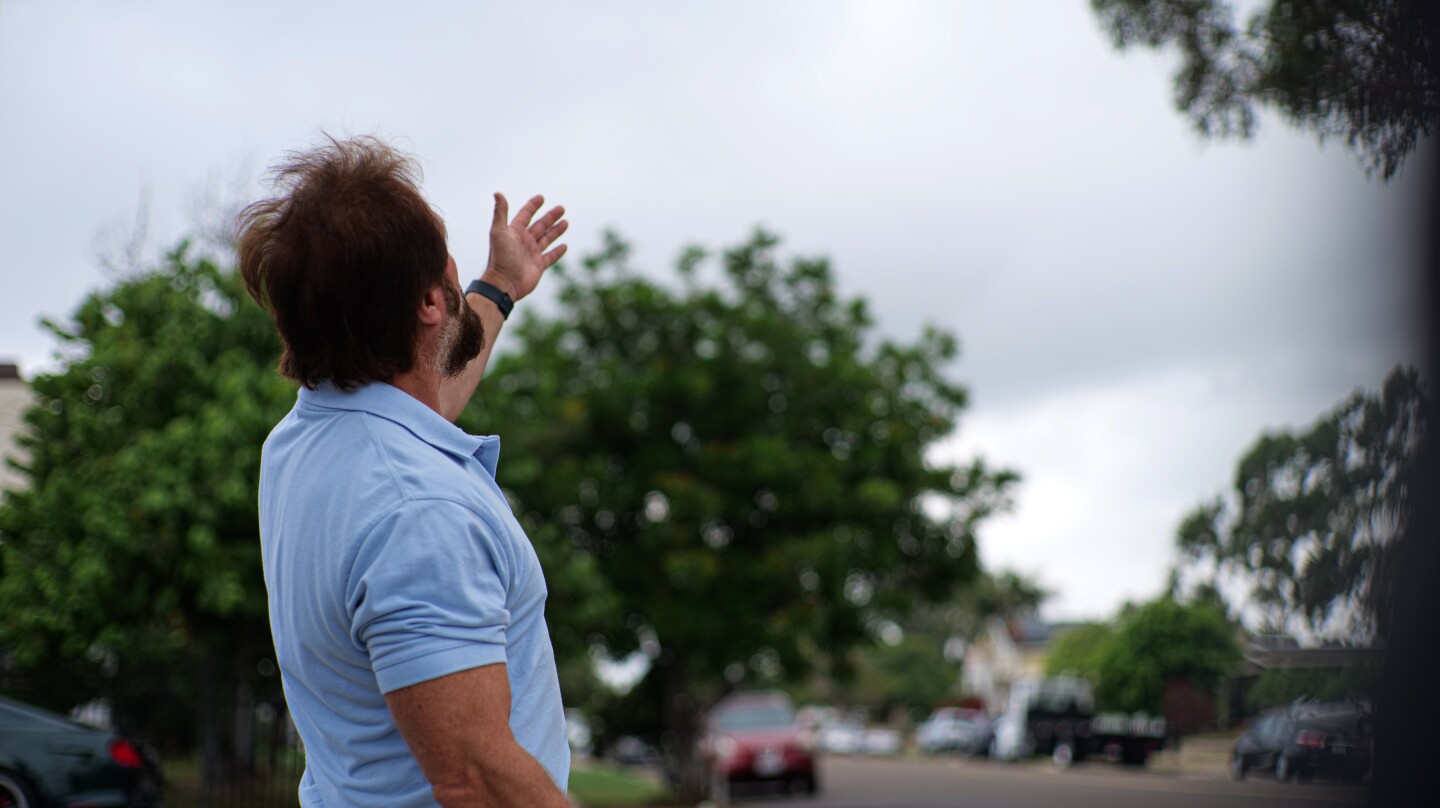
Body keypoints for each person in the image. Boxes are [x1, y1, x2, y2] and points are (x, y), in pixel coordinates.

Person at [236, 135, 573, 807]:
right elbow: (475, 779)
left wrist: (498, 287)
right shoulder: (419, 514)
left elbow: (428, 394)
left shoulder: (305, 439)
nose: (457, 268)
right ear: (427, 302)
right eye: (445, 256)